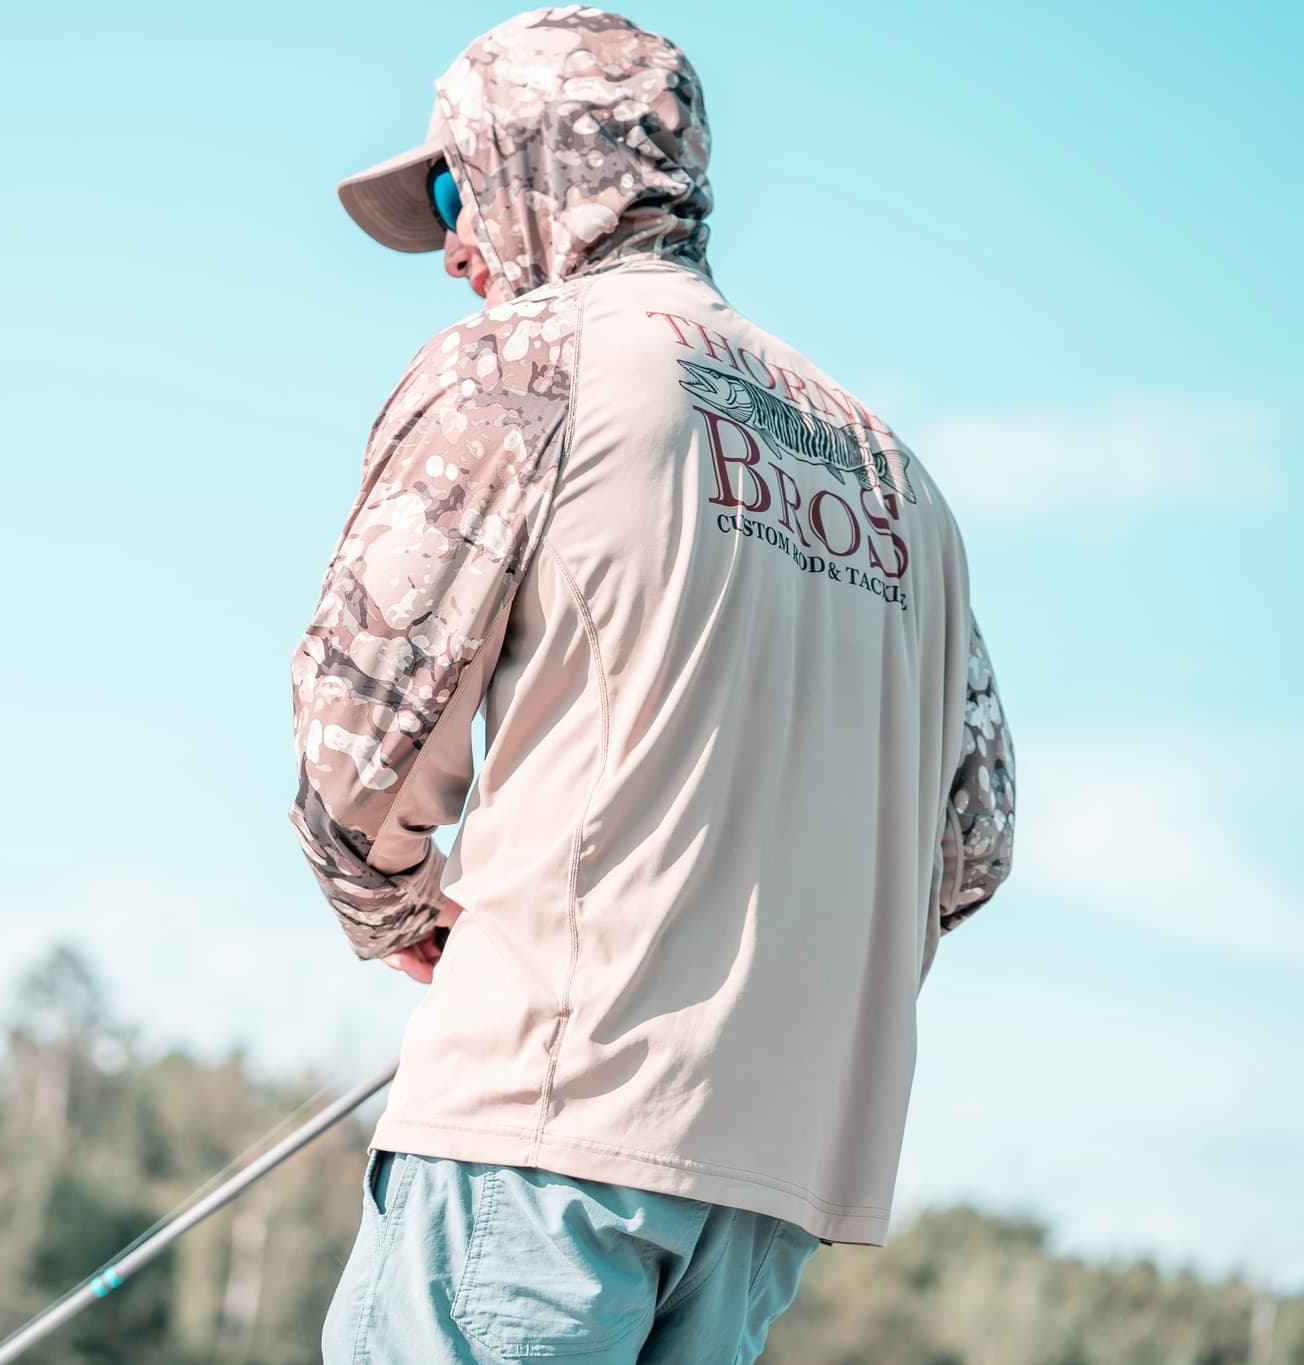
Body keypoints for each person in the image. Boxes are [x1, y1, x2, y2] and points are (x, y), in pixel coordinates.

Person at [285, 6, 1017, 1362]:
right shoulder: (895, 475)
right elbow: (970, 846)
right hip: (770, 1181)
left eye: (455, 183)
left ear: (537, 164)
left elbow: (358, 736)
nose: (449, 245)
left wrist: (401, 917)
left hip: (537, 1127)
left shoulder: (526, 364)